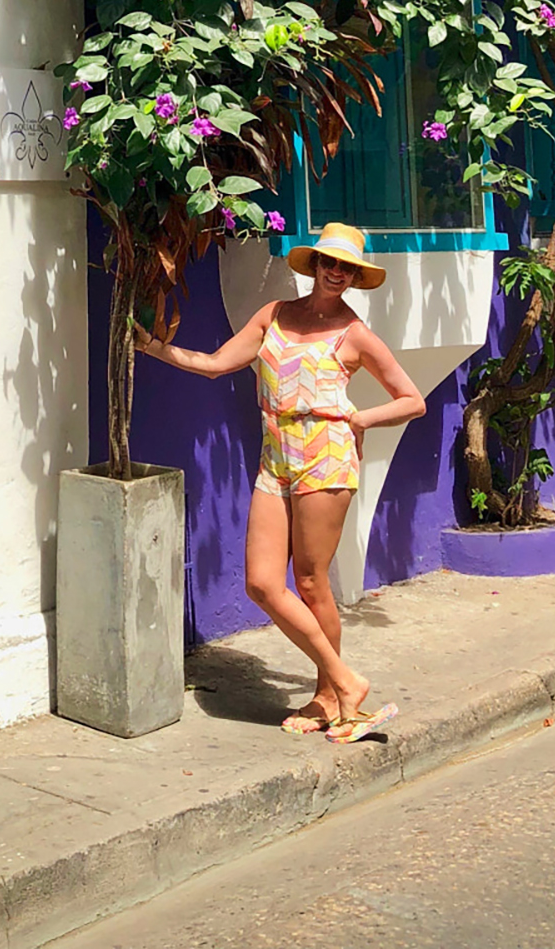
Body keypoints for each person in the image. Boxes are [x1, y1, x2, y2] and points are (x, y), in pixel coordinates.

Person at [133, 221, 426, 741]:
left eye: (346, 267)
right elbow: (216, 364)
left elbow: (412, 400)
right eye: (328, 262)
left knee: (312, 581)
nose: (336, 272)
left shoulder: (354, 334)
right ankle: (345, 681)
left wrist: (360, 420)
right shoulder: (273, 316)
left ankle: (328, 694)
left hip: (326, 459)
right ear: (314, 265)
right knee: (262, 582)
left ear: (355, 277)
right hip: (276, 459)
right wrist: (153, 348)